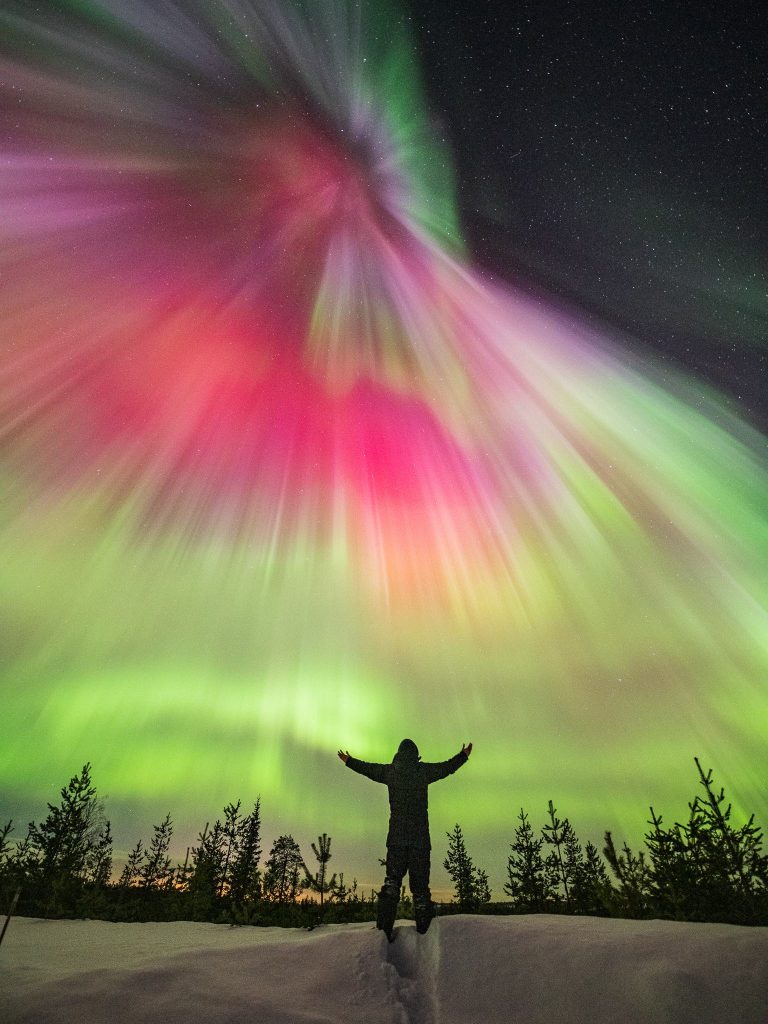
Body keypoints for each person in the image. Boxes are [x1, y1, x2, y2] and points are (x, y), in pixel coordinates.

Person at [338, 737, 472, 939]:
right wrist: (463, 756)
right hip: (420, 841)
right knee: (420, 891)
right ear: (416, 756)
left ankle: (383, 933)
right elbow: (447, 768)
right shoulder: (423, 772)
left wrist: (349, 761)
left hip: (396, 840)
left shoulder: (391, 772)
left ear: (398, 754)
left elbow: (368, 769)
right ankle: (425, 936)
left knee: (392, 883)